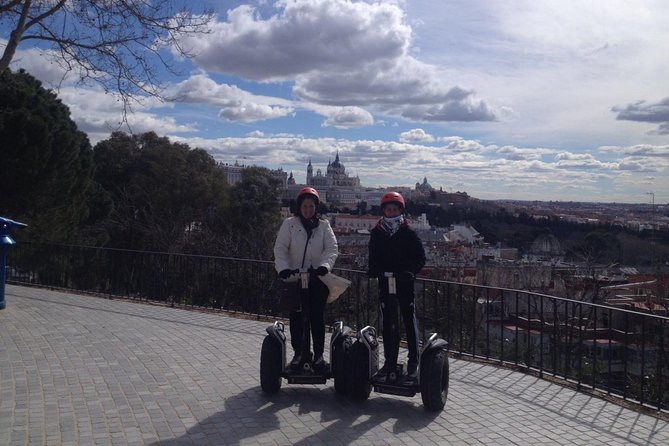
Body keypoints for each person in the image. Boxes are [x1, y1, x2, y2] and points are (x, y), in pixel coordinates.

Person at [273, 187, 338, 371]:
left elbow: (332, 249)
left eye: (311, 206)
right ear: (299, 207)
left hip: (317, 279)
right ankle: (299, 354)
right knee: (297, 317)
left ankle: (318, 356)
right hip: (295, 278)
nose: (308, 209)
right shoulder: (289, 224)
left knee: (317, 317)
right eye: (305, 206)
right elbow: (280, 248)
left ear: (316, 207)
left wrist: (325, 266)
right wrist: (283, 268)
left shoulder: (324, 226)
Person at [367, 191, 426, 380]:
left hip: (404, 282)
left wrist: (410, 271)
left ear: (400, 211)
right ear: (384, 211)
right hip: (386, 282)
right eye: (388, 210)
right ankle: (389, 361)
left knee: (408, 320)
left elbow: (420, 258)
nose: (391, 213)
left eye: (394, 209)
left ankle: (413, 361)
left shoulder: (408, 233)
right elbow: (373, 257)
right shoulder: (377, 233)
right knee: (388, 323)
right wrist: (373, 270)